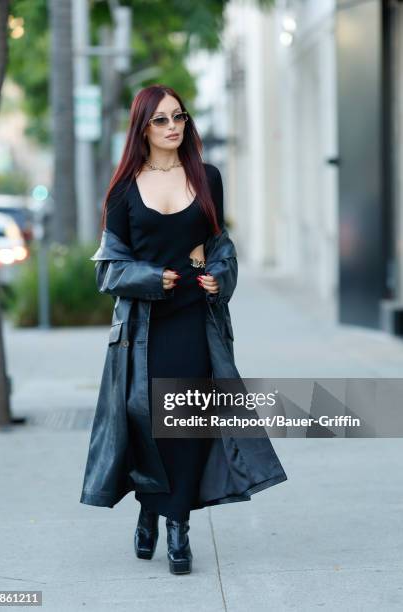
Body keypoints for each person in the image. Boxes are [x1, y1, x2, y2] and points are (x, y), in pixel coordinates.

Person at [81, 84, 288, 575]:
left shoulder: (207, 177)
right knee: (152, 428)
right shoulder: (123, 191)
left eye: (180, 117)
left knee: (189, 425)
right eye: (161, 120)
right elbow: (107, 270)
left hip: (198, 320)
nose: (174, 126)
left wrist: (220, 275)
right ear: (142, 128)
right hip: (145, 331)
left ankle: (178, 530)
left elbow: (220, 245)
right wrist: (154, 277)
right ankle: (150, 511)